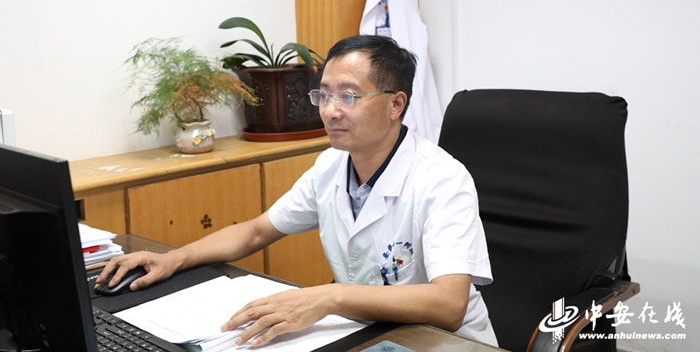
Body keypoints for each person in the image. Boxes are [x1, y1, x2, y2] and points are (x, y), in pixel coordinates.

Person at [96, 35, 498, 347]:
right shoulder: (330, 165)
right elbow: (256, 231)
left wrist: (330, 297)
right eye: (324, 94)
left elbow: (448, 304)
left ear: (396, 105)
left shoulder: (443, 179)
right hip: (367, 333)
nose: (330, 110)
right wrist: (173, 259)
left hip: (444, 342)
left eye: (349, 96)